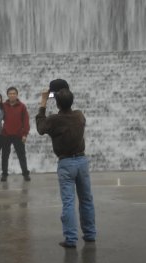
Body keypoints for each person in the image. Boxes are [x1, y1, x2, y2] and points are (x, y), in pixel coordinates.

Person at [35, 79, 96, 248]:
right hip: (82, 161)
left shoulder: (54, 120)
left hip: (66, 163)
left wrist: (43, 102)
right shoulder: (79, 115)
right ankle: (90, 234)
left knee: (69, 202)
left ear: (57, 102)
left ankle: (70, 238)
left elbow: (40, 128)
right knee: (86, 199)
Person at [1, 87, 31, 182]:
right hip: (6, 134)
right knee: (5, 155)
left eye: (14, 93)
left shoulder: (22, 106)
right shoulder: (3, 105)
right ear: (7, 95)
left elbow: (26, 121)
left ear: (17, 95)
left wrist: (25, 134)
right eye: (10, 93)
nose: (12, 95)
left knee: (22, 155)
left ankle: (25, 174)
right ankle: (4, 174)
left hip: (18, 135)